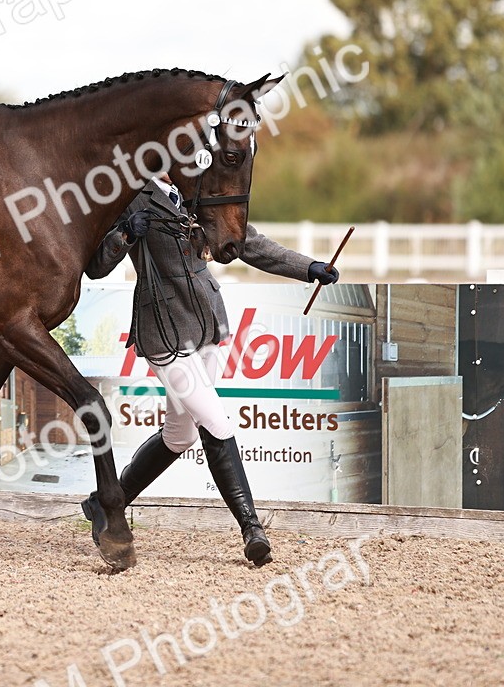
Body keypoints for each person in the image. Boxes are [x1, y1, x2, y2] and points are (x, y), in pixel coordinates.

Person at [81, 176, 338, 566]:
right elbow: (97, 265)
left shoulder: (197, 190)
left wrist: (309, 268)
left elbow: (246, 241)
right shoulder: (130, 196)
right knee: (216, 423)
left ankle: (104, 502)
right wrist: (125, 236)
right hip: (164, 331)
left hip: (207, 325)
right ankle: (252, 529)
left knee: (179, 436)